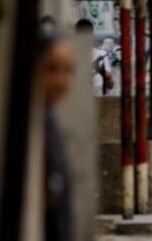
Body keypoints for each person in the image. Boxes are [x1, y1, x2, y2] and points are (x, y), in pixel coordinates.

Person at [36, 29, 76, 241]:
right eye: (52, 68)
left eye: (68, 70)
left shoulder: (48, 120)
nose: (60, 80)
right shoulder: (36, 127)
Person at [75, 19, 113, 95]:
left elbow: (110, 86)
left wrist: (107, 77)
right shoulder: (69, 56)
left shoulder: (102, 54)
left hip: (100, 102)